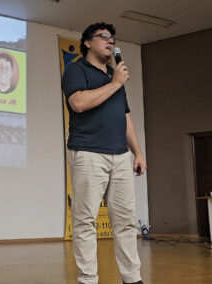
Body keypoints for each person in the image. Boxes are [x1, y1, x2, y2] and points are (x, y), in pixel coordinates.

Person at [62, 22, 146, 284]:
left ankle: (132, 279)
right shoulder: (76, 69)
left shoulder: (114, 75)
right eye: (104, 37)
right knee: (85, 221)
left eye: (113, 38)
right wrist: (115, 82)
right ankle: (88, 279)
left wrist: (138, 153)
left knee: (125, 221)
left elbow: (125, 117)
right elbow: (78, 103)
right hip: (88, 152)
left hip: (120, 155)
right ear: (87, 42)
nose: (111, 41)